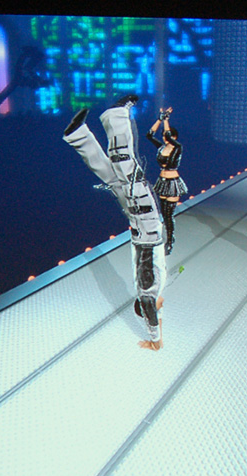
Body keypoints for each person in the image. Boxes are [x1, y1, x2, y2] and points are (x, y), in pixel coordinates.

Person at [63, 95, 167, 350]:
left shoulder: (149, 289)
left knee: (125, 173)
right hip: (142, 226)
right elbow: (152, 306)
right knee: (116, 177)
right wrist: (158, 324)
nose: (159, 305)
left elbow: (149, 305)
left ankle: (111, 119)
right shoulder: (150, 288)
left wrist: (155, 337)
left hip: (145, 224)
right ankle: (82, 133)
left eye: (155, 308)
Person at [146, 106, 187, 255]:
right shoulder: (161, 148)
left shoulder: (177, 147)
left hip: (173, 183)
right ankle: (165, 238)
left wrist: (166, 120)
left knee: (169, 215)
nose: (164, 138)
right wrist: (159, 119)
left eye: (167, 136)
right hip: (162, 182)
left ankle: (170, 241)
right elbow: (149, 135)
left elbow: (169, 136)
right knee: (163, 214)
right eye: (163, 136)